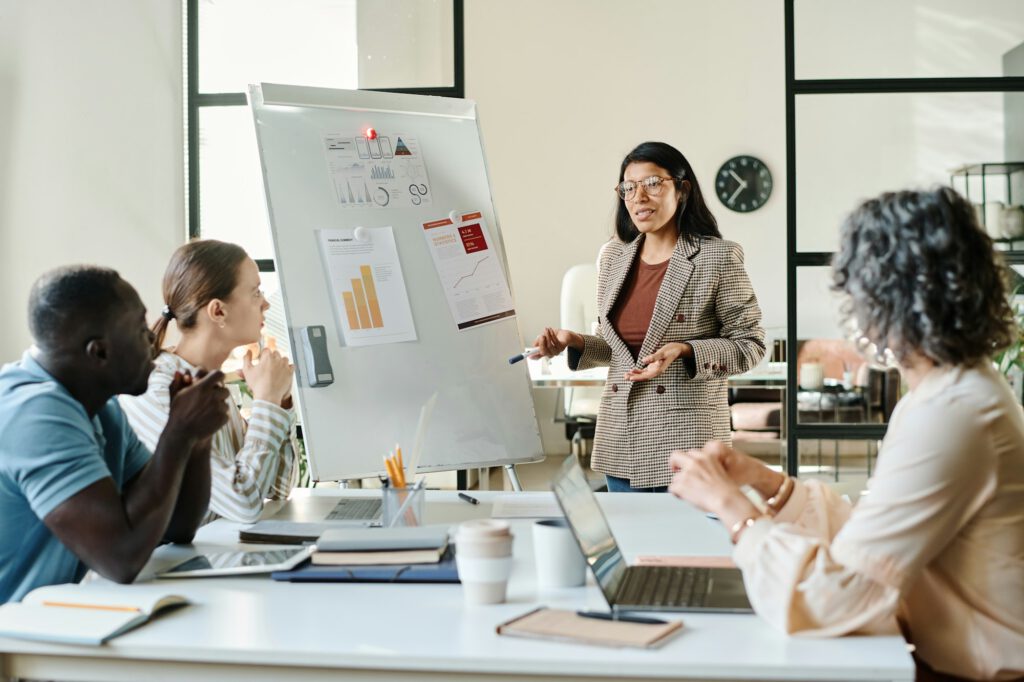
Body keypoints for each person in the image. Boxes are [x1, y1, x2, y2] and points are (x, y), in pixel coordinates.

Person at [669, 187, 1024, 681]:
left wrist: (735, 510)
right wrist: (770, 485)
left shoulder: (953, 413)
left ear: (889, 296)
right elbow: (878, 535)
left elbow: (831, 597)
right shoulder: (951, 388)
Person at [532, 141, 765, 492]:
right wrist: (574, 341)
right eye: (628, 187)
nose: (639, 196)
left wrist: (685, 350)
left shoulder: (718, 257)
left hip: (686, 445)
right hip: (619, 440)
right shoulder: (612, 257)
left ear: (682, 189)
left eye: (653, 183)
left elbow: (751, 345)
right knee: (631, 546)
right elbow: (618, 351)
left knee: (680, 547)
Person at [0, 266, 230, 603]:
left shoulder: (101, 409)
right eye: (141, 330)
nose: (154, 340)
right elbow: (121, 558)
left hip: (37, 629)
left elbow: (176, 526)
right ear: (100, 352)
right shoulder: (34, 413)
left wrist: (197, 437)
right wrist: (178, 433)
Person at [121, 240, 298, 525]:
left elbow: (277, 490)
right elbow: (245, 503)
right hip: (168, 564)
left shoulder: (213, 386)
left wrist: (280, 399)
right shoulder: (160, 388)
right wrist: (266, 402)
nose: (265, 303)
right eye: (255, 293)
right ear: (218, 311)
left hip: (210, 555)